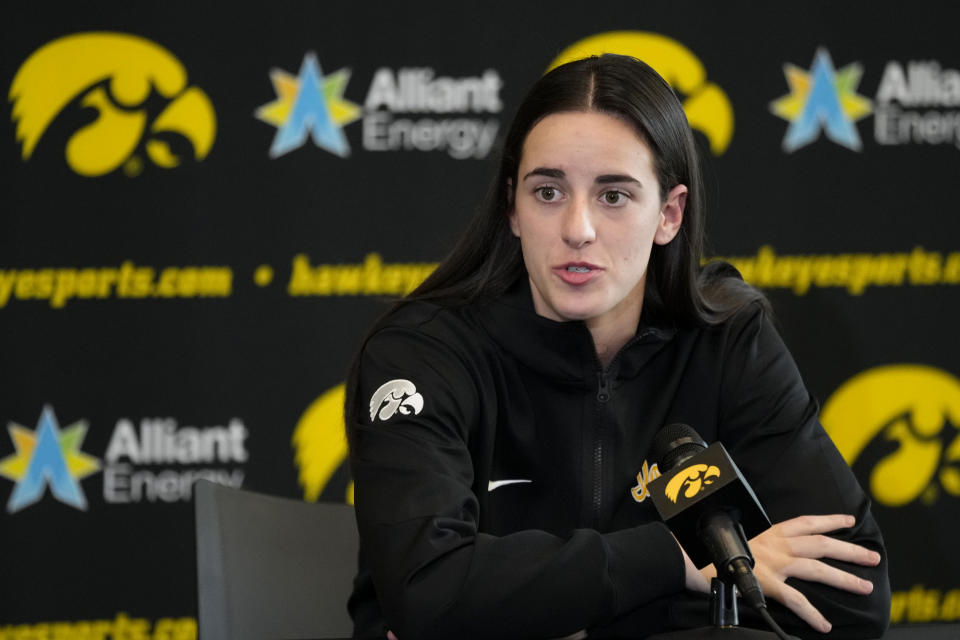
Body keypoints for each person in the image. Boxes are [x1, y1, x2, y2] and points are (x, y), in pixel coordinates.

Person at [344, 54, 890, 639]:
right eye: (548, 191)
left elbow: (853, 603)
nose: (577, 228)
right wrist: (674, 563)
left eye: (613, 196)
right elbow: (428, 594)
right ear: (513, 209)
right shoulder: (423, 355)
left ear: (669, 214)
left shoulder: (729, 341)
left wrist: (539, 611)